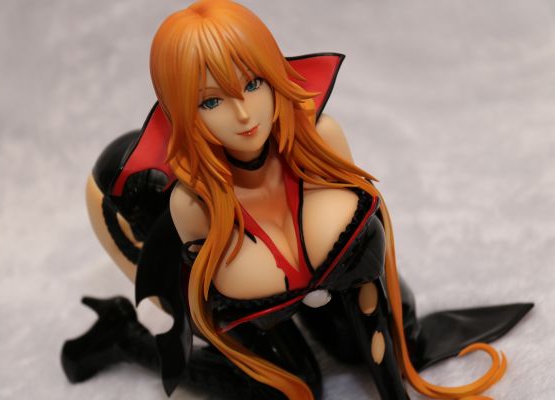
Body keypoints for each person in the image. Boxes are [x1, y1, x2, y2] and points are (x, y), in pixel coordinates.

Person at [61, 1, 532, 399]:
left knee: (366, 337)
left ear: (274, 75)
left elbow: (367, 281)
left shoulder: (322, 142)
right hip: (151, 222)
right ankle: (122, 337)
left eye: (252, 84)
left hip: (304, 256)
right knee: (291, 386)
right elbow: (204, 314)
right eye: (211, 102)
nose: (243, 114)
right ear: (184, 114)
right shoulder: (192, 205)